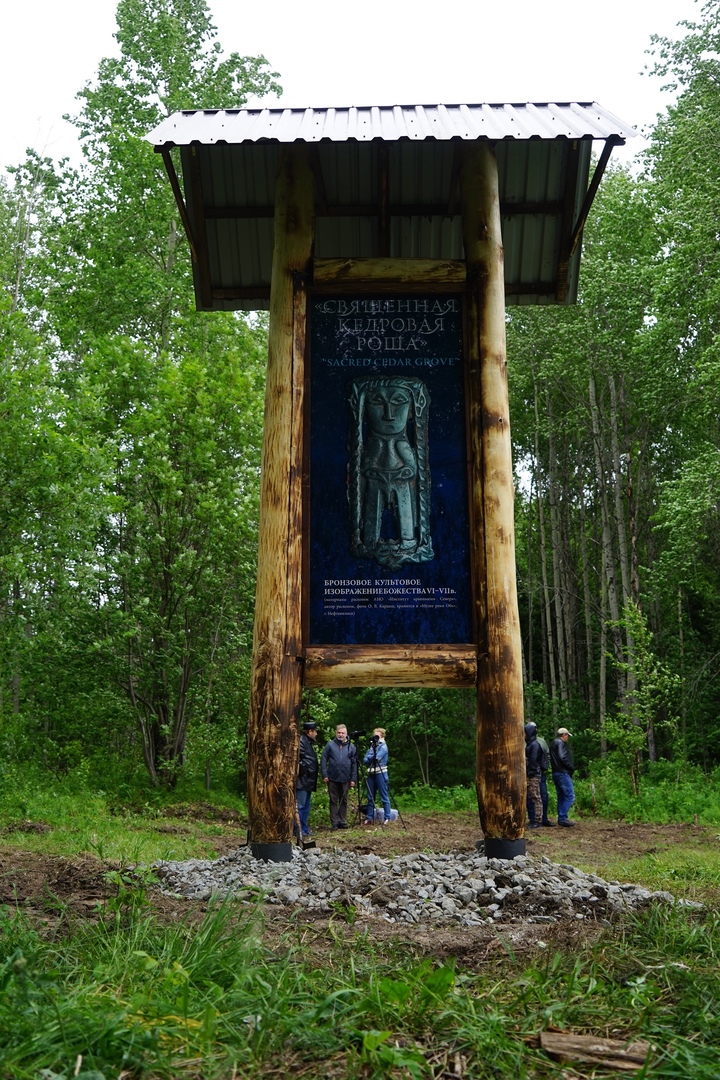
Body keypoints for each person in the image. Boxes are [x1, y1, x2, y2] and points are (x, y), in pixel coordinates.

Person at [320, 723, 357, 829]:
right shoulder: (330, 745)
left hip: (346, 778)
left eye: (343, 733)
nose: (340, 735)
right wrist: (324, 774)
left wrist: (353, 778)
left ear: (346, 734)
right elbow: (323, 759)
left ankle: (342, 820)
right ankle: (334, 821)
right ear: (336, 733)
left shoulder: (351, 746)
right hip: (332, 777)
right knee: (333, 800)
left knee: (344, 800)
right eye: (339, 733)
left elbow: (354, 764)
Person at [363, 727, 392, 826]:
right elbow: (365, 760)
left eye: (377, 736)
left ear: (381, 736)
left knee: (384, 796)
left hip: (381, 773)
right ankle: (369, 817)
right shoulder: (372, 746)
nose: (375, 737)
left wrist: (370, 758)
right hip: (371, 773)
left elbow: (377, 758)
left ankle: (387, 817)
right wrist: (370, 758)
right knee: (370, 796)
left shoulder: (383, 746)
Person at [296, 719, 319, 837]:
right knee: (300, 806)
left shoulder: (307, 742)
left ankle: (304, 829)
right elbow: (297, 759)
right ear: (310, 731)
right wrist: (304, 769)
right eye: (315, 731)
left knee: (306, 806)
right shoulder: (301, 741)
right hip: (303, 780)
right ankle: (298, 829)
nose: (316, 734)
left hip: (308, 780)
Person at [550, 726, 576, 827]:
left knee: (561, 796)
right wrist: (571, 767)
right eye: (567, 736)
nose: (567, 738)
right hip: (562, 772)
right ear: (564, 735)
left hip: (556, 772)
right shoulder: (561, 743)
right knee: (570, 796)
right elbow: (562, 757)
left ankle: (561, 817)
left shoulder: (553, 743)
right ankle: (562, 817)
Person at [524, 722, 544, 829]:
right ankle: (533, 819)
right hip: (530, 774)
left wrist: (530, 773)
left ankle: (538, 820)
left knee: (536, 797)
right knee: (530, 797)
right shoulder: (530, 744)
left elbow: (534, 761)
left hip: (533, 775)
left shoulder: (534, 745)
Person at [536, 732, 555, 826]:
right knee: (530, 797)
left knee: (544, 796)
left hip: (541, 773)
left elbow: (547, 755)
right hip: (528, 774)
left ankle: (544, 818)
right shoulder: (522, 741)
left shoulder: (542, 741)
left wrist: (545, 766)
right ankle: (534, 819)